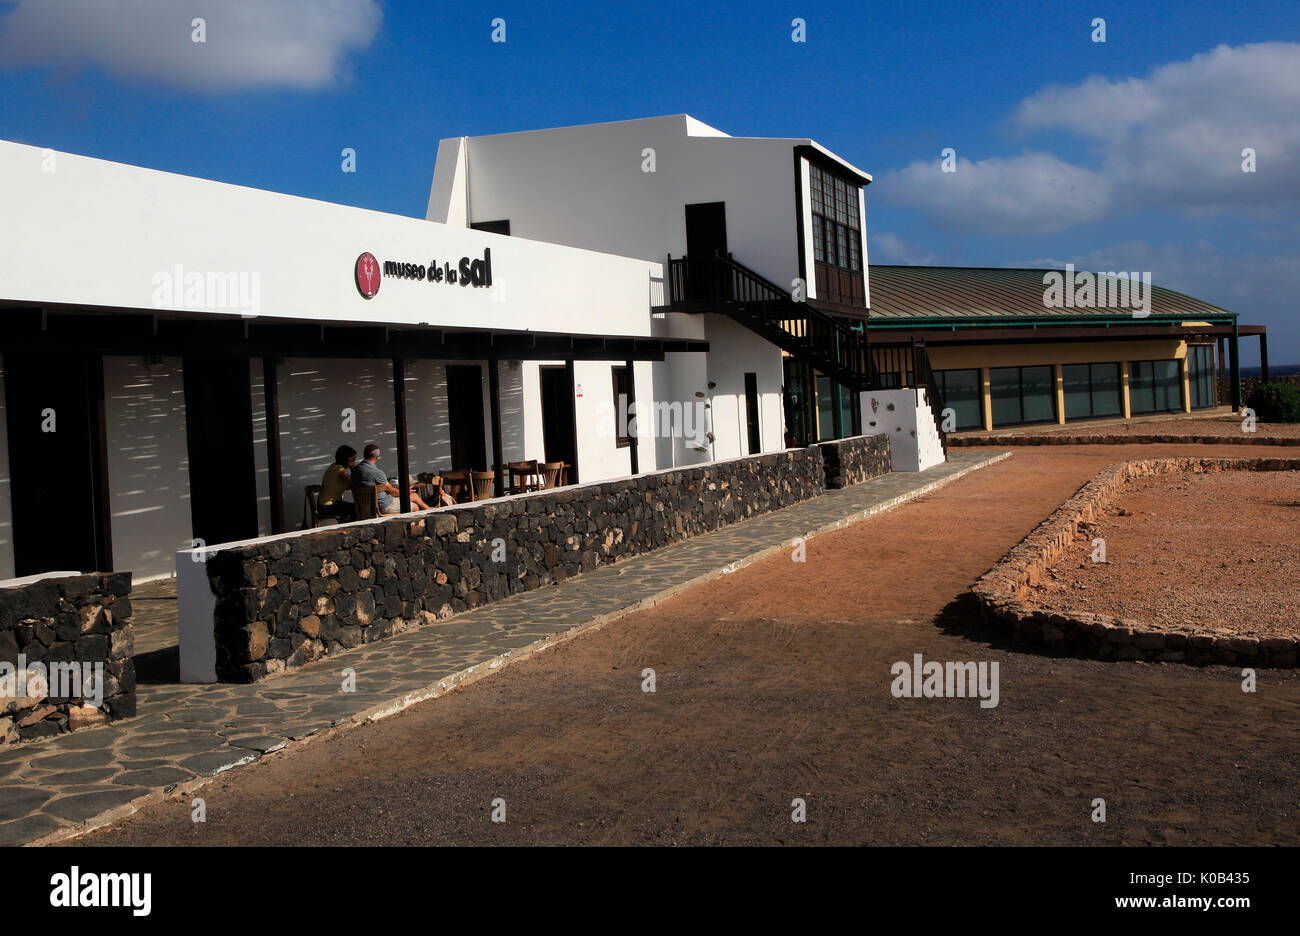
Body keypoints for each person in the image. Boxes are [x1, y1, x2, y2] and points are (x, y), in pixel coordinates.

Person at [354, 443, 431, 514]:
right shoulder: (377, 472)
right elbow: (393, 492)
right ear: (377, 457)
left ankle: (429, 510)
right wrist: (406, 491)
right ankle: (424, 518)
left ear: (364, 454)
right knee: (414, 506)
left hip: (365, 508)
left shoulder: (355, 471)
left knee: (414, 496)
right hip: (383, 507)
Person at [317, 445, 357, 521]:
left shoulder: (333, 466)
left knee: (354, 508)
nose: (354, 461)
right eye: (353, 459)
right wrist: (354, 469)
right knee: (357, 509)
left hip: (326, 505)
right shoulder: (339, 470)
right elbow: (353, 484)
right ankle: (349, 528)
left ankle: (345, 524)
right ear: (345, 458)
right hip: (327, 507)